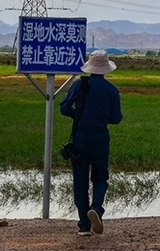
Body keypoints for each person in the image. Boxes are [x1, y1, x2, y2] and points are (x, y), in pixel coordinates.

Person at [59, 49, 123, 236]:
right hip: (101, 136)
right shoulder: (111, 89)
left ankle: (84, 225)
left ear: (90, 66)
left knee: (80, 181)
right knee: (100, 177)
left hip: (80, 136)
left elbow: (64, 108)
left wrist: (78, 115)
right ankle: (97, 208)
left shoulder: (80, 85)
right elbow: (116, 118)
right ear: (106, 69)